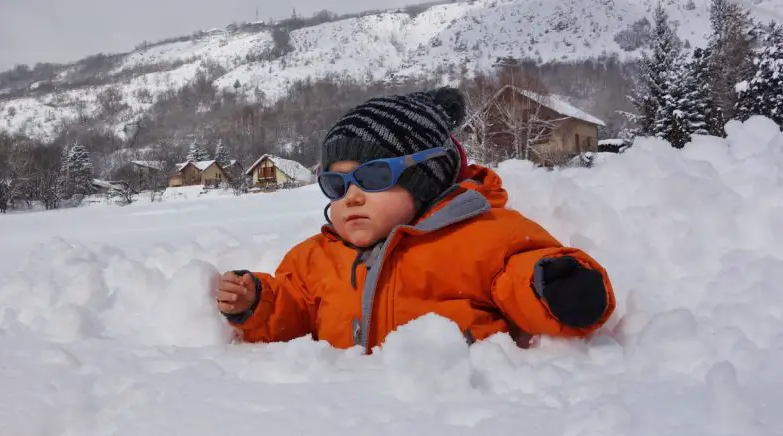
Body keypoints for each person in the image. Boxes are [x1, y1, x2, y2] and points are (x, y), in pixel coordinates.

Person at [216, 87, 615, 352]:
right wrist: (258, 304)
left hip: (451, 425)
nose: (351, 197)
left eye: (372, 177)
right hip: (344, 428)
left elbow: (520, 271)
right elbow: (295, 309)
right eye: (336, 185)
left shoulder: (480, 235)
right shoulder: (315, 258)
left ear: (426, 178)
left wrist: (557, 286)